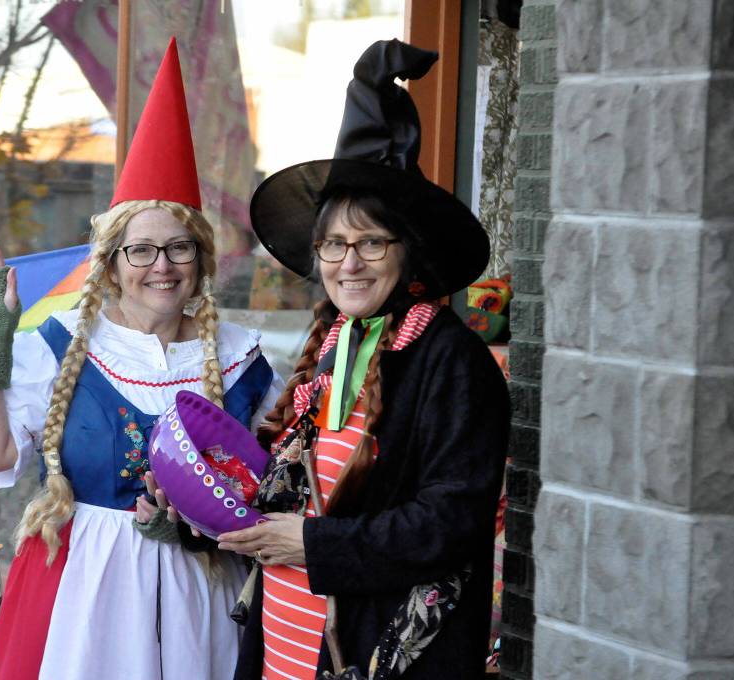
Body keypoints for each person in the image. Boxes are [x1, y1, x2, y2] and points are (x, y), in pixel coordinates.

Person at [0, 39, 282, 680]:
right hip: (83, 594)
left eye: (180, 248)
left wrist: (196, 529)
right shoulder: (58, 346)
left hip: (204, 591)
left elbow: (275, 494)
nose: (162, 266)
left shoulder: (246, 362)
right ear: (110, 264)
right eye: (141, 251)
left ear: (202, 259)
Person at [218, 40, 510, 680]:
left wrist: (313, 544)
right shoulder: (329, 347)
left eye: (371, 243)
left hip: (381, 653)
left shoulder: (451, 362)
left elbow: (451, 522)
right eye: (334, 244)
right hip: (287, 646)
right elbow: (292, 496)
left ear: (408, 251)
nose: (348, 264)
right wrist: (194, 512)